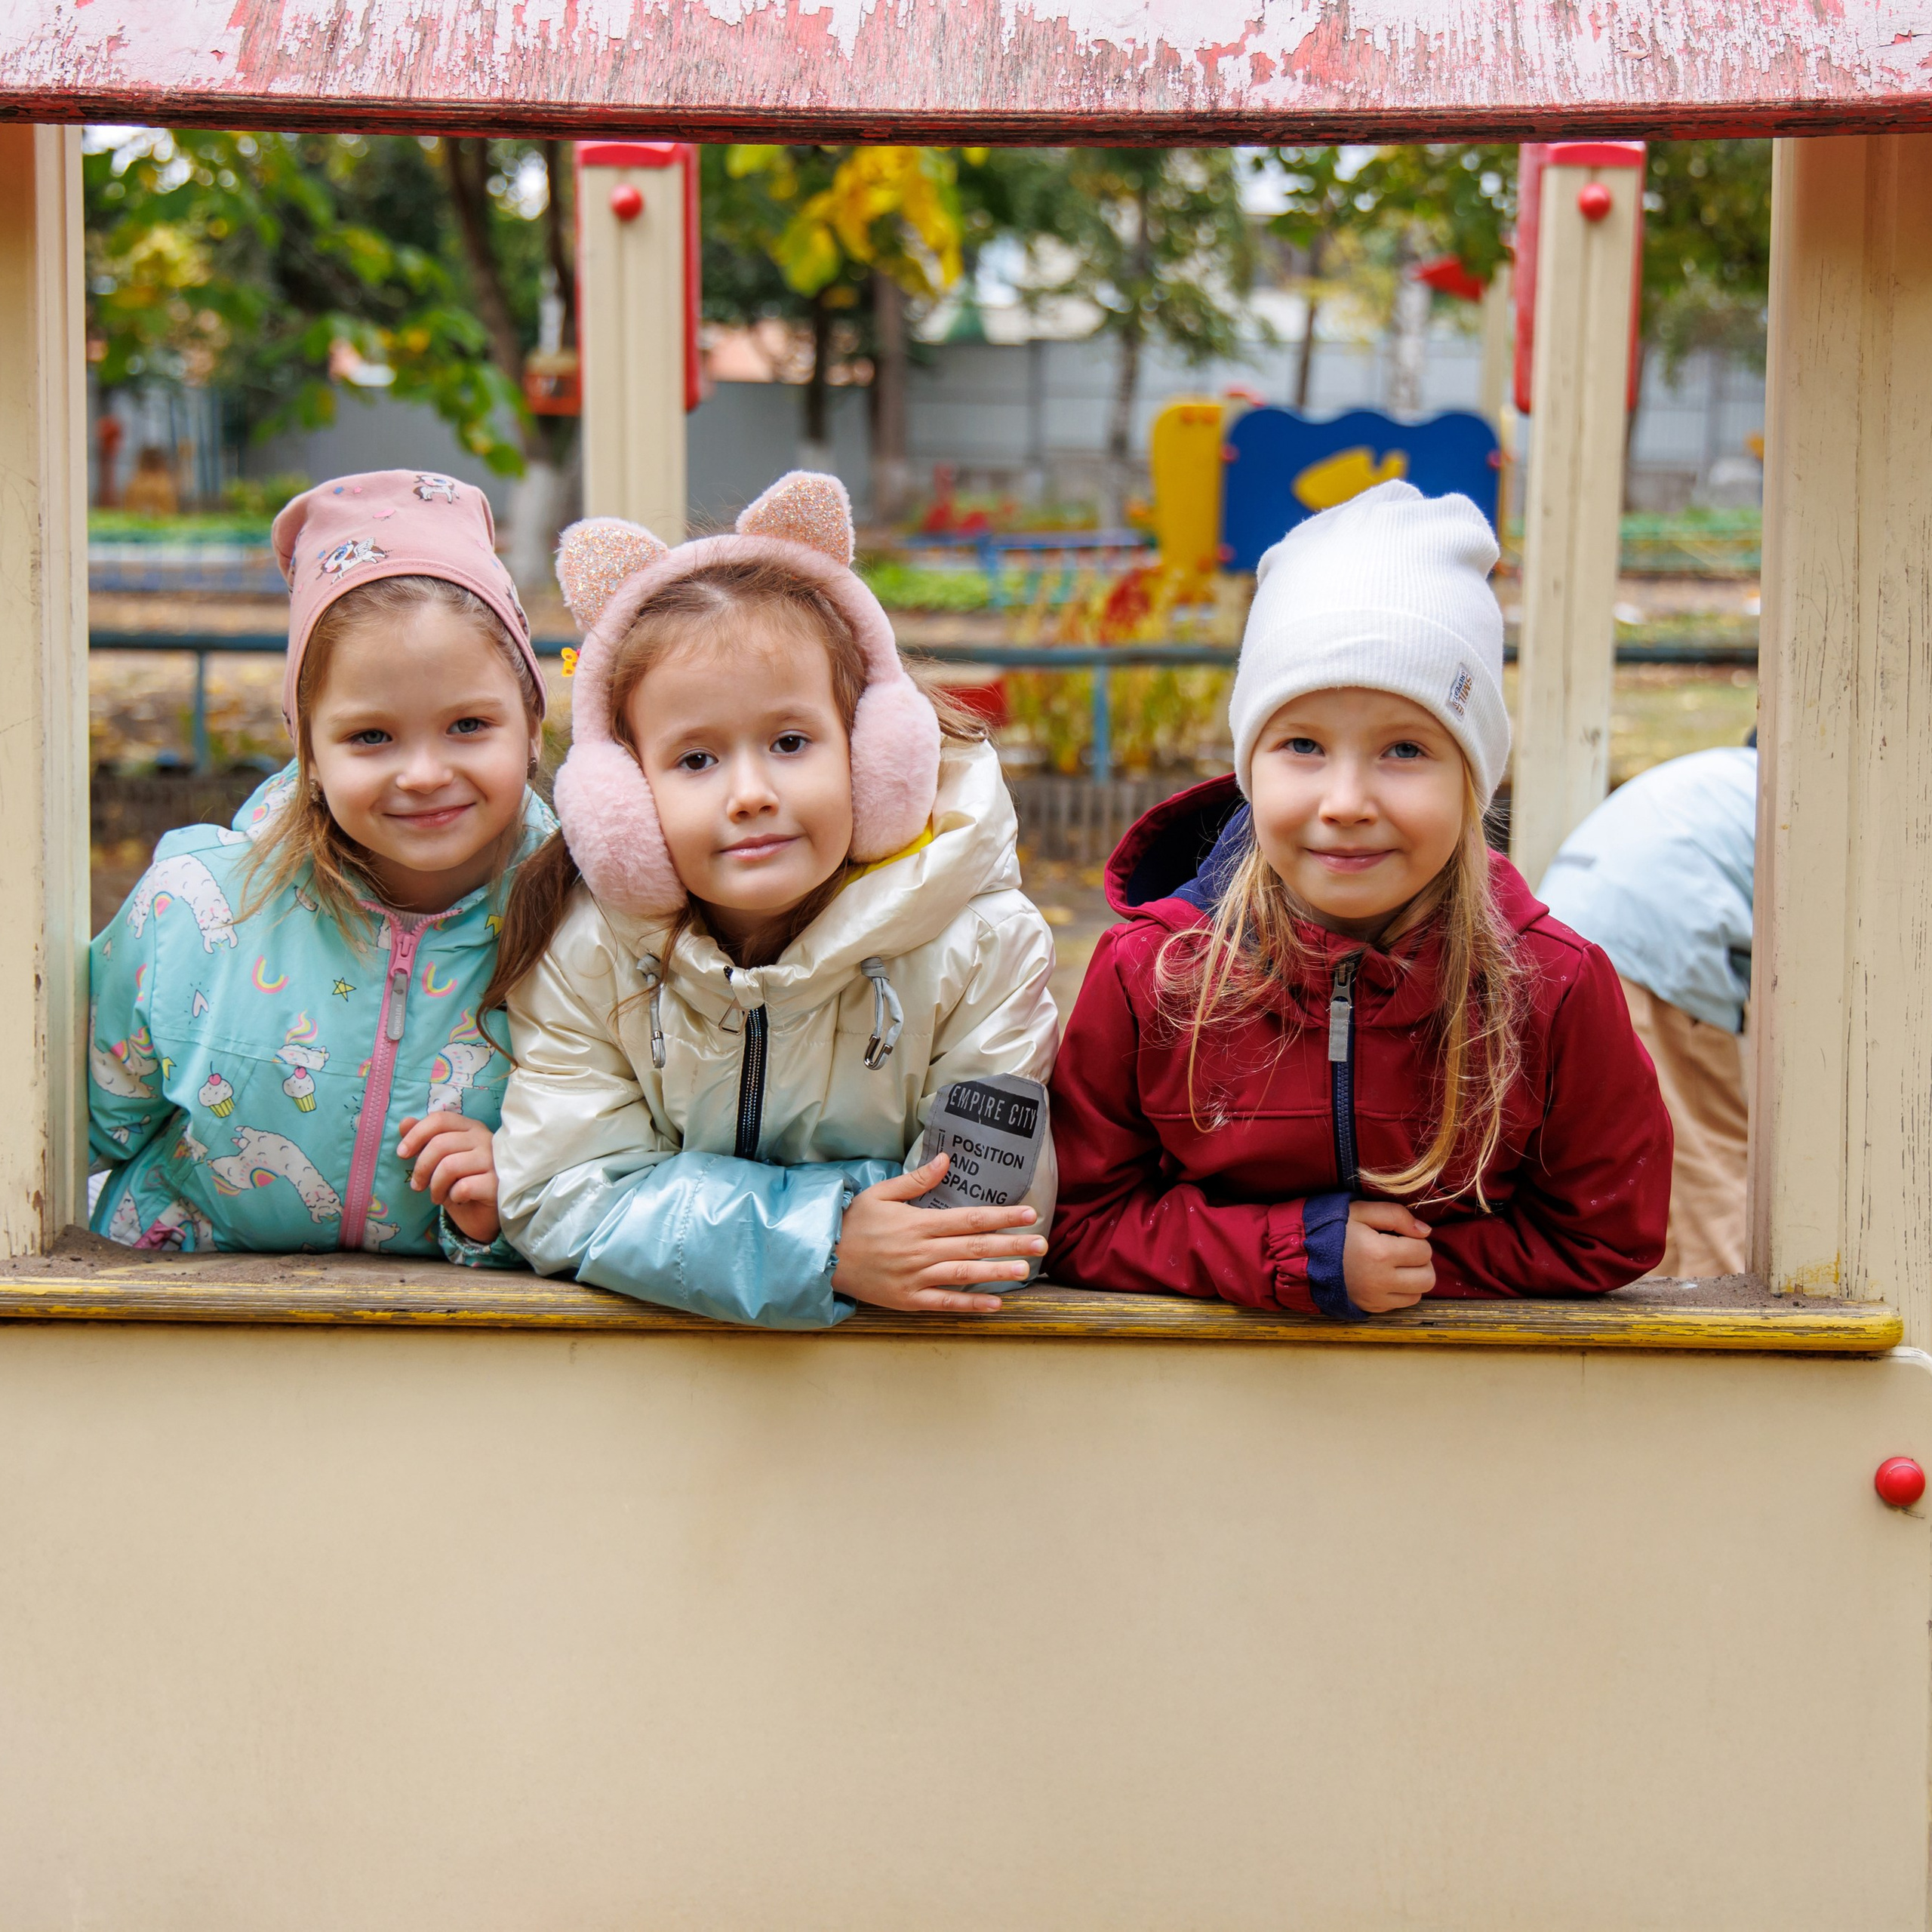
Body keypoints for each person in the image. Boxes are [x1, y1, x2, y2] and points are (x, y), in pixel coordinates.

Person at [1049, 480, 1671, 1316]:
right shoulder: (1150, 972)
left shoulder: (1552, 987)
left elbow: (1604, 1232)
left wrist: (1403, 1270)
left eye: (1404, 749)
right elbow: (1079, 1218)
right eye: (1301, 743)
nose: (1345, 801)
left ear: (1472, 781)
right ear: (1248, 764)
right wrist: (1295, 1258)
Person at [488, 471, 1059, 1329]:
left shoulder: (982, 945)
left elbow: (981, 1230)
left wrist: (700, 1217)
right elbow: (557, 1193)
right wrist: (824, 1240)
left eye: (790, 741)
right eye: (695, 760)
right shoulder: (587, 953)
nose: (750, 792)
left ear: (875, 753)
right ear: (623, 799)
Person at [88, 469, 554, 1262]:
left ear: (533, 725)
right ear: (306, 749)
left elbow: (621, 1171)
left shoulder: (590, 926)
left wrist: (509, 1205)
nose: (422, 773)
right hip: (171, 1335)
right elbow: (69, 1130)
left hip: (457, 1358)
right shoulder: (194, 911)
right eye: (371, 736)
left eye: (469, 724)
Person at [1537, 741, 1756, 1278]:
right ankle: (1732, 1341)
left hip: (1563, 949)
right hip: (1650, 955)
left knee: (1638, 1170)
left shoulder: (1715, 776)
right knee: (1705, 1171)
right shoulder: (1811, 801)